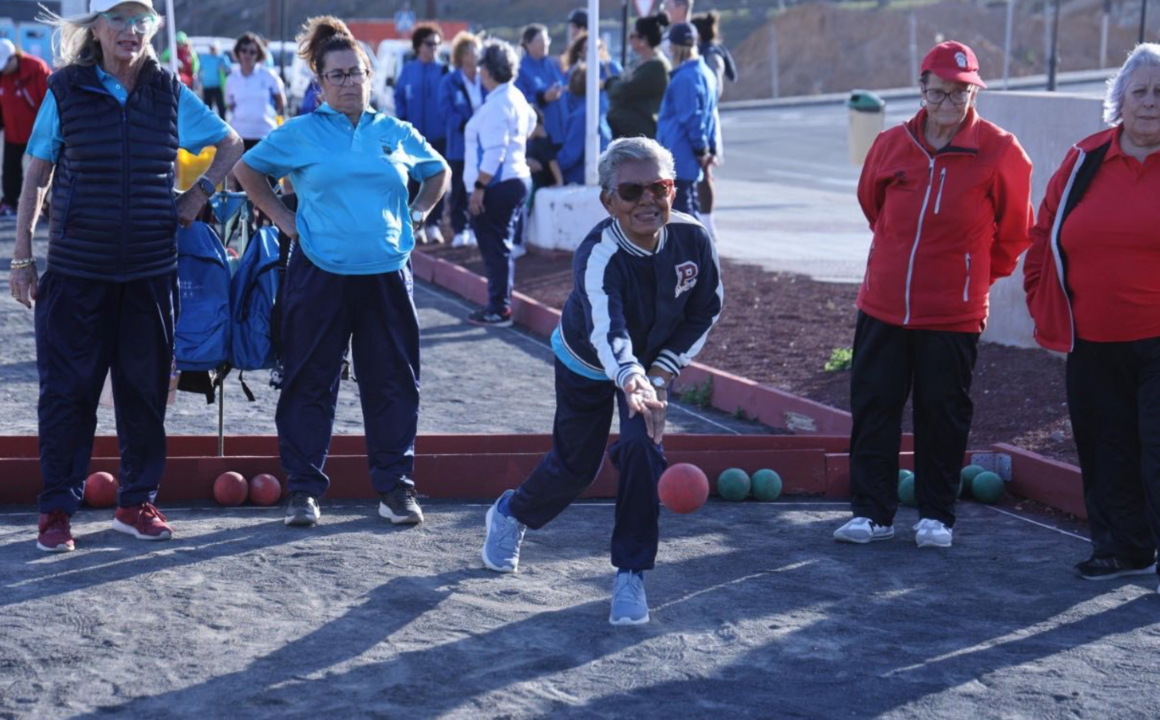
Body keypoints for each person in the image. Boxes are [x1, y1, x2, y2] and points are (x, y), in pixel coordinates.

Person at [9, 0, 242, 553]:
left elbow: (231, 143)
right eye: (118, 19)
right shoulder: (66, 89)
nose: (131, 31)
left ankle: (135, 504)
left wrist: (198, 196)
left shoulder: (169, 91)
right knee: (68, 396)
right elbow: (35, 174)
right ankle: (57, 511)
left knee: (144, 394)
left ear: (152, 30)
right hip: (76, 272)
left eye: (141, 21)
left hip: (149, 272)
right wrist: (22, 256)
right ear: (97, 29)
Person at [480, 137, 723, 626]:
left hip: (652, 367)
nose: (648, 200)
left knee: (641, 450)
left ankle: (631, 574)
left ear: (674, 190)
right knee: (575, 468)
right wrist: (631, 375)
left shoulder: (693, 236)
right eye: (632, 191)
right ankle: (511, 514)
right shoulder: (598, 254)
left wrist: (660, 370)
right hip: (588, 360)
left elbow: (707, 307)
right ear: (608, 200)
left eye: (660, 187)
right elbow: (606, 328)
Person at [233, 15, 449, 529]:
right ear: (319, 83)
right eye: (338, 74)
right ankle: (304, 491)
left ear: (369, 76)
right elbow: (247, 169)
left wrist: (417, 214)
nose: (350, 82)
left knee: (393, 381)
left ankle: (396, 488)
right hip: (319, 272)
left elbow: (437, 171)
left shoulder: (394, 131)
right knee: (310, 380)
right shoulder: (302, 132)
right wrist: (285, 219)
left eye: (357, 72)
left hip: (387, 273)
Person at [832, 42, 1033, 549]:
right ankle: (872, 513)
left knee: (942, 412)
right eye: (940, 92)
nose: (950, 104)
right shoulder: (891, 144)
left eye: (962, 93)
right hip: (883, 304)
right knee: (875, 405)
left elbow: (1014, 231)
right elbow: (872, 205)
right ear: (921, 90)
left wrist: (974, 279)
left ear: (974, 92)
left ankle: (936, 516)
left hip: (954, 312)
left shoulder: (1001, 150)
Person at [1023, 43, 1160, 587]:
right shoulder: (1085, 159)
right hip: (1093, 338)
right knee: (1105, 448)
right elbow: (1043, 234)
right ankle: (1122, 547)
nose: (1152, 102)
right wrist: (1044, 299)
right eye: (1141, 92)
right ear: (1119, 101)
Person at [463, 39, 536, 327]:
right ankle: (499, 304)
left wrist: (479, 188)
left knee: (495, 247)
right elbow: (530, 124)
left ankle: (499, 307)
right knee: (500, 245)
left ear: (488, 71)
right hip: (515, 178)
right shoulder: (514, 96)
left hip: (498, 183)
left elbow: (495, 151)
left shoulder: (496, 104)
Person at [655, 23, 717, 218]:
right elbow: (709, 115)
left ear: (674, 47)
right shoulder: (706, 73)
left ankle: (692, 248)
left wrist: (701, 149)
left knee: (682, 210)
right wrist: (708, 148)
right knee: (689, 203)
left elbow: (691, 118)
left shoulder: (684, 78)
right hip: (690, 154)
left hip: (679, 153)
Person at [395, 24, 448, 243]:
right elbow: (399, 96)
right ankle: (416, 225)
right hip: (413, 137)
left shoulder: (445, 70)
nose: (433, 48)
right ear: (418, 46)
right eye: (429, 44)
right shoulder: (408, 69)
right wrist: (403, 121)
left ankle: (434, 224)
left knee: (438, 178)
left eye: (437, 44)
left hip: (439, 135)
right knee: (414, 181)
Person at [690, 10, 736, 240]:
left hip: (707, 116)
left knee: (705, 170)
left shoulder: (711, 56)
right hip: (706, 115)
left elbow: (714, 90)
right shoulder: (708, 53)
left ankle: (708, 224)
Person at [438, 31, 484, 248]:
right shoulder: (450, 81)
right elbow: (445, 109)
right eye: (468, 51)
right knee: (458, 189)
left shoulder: (485, 78)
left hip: (482, 143)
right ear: (461, 55)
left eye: (474, 50)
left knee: (478, 187)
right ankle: (459, 229)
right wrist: (464, 125)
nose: (473, 55)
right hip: (459, 144)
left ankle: (476, 228)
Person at [0, 39, 50, 218]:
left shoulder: (36, 68)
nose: (4, 70)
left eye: (5, 65)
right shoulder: (2, 75)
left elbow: (49, 101)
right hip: (13, 132)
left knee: (40, 171)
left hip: (39, 134)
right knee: (10, 169)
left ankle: (41, 205)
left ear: (15, 57)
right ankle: (10, 203)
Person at [606, 12, 671, 139]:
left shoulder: (656, 67)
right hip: (628, 133)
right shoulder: (637, 63)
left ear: (643, 40)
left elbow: (621, 91)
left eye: (633, 36)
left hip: (643, 135)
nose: (629, 40)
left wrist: (609, 83)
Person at [226, 32, 286, 151]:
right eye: (244, 50)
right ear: (238, 52)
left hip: (265, 135)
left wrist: (267, 116)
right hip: (239, 136)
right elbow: (230, 105)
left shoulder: (269, 76)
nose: (247, 55)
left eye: (252, 52)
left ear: (258, 54)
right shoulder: (231, 80)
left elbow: (280, 102)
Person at [557, 64, 611, 185]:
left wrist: (549, 165)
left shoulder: (581, 116)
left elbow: (570, 155)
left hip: (579, 179)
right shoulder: (598, 111)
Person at [515, 24, 566, 150]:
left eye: (546, 40)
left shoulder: (553, 64)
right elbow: (519, 102)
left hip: (562, 135)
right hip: (539, 138)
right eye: (540, 41)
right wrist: (543, 98)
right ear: (527, 44)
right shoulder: (520, 70)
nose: (545, 44)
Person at [198, 40, 228, 118]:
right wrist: (199, 82)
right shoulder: (204, 58)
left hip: (218, 86)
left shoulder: (222, 58)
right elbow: (199, 70)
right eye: (211, 48)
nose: (212, 50)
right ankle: (208, 124)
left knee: (221, 107)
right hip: (207, 86)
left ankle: (223, 122)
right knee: (208, 108)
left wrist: (223, 68)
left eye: (214, 48)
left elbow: (228, 69)